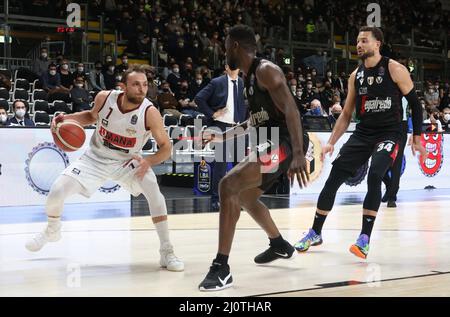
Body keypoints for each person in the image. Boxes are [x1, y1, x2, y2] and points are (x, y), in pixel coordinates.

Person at [25, 65, 184, 272]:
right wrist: (68, 119)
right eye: (136, 84)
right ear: (123, 86)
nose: (142, 89)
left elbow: (166, 148)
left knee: (155, 193)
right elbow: (91, 117)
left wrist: (149, 161)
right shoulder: (104, 98)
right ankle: (53, 229)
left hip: (127, 162)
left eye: (145, 85)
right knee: (57, 191)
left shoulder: (150, 112)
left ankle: (167, 251)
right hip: (95, 158)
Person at [294, 26, 427, 260]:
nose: (359, 45)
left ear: (378, 44)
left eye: (364, 41)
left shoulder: (395, 69)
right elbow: (346, 114)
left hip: (390, 132)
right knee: (334, 176)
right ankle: (315, 232)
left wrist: (417, 137)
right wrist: (331, 142)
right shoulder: (356, 76)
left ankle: (364, 239)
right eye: (357, 41)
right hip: (364, 132)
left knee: (375, 175)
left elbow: (416, 105)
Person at [198, 25, 309, 291]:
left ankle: (221, 267)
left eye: (225, 46)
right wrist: (221, 137)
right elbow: (252, 121)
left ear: (235, 46)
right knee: (246, 197)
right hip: (271, 142)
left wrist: (298, 154)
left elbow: (292, 111)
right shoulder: (249, 79)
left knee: (228, 185)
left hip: (284, 142)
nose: (224, 52)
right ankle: (279, 244)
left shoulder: (265, 71)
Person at [194, 64, 247, 211]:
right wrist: (212, 113)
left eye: (237, 65)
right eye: (232, 65)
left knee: (239, 167)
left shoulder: (242, 82)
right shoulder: (217, 82)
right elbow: (199, 98)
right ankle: (216, 199)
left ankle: (237, 198)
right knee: (221, 165)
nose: (235, 68)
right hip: (221, 127)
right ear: (226, 67)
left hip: (238, 128)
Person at [381, 97, 409, 208]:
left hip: (401, 125)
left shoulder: (405, 91)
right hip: (384, 125)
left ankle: (392, 197)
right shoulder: (386, 88)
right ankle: (389, 186)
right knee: (381, 161)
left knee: (396, 163)